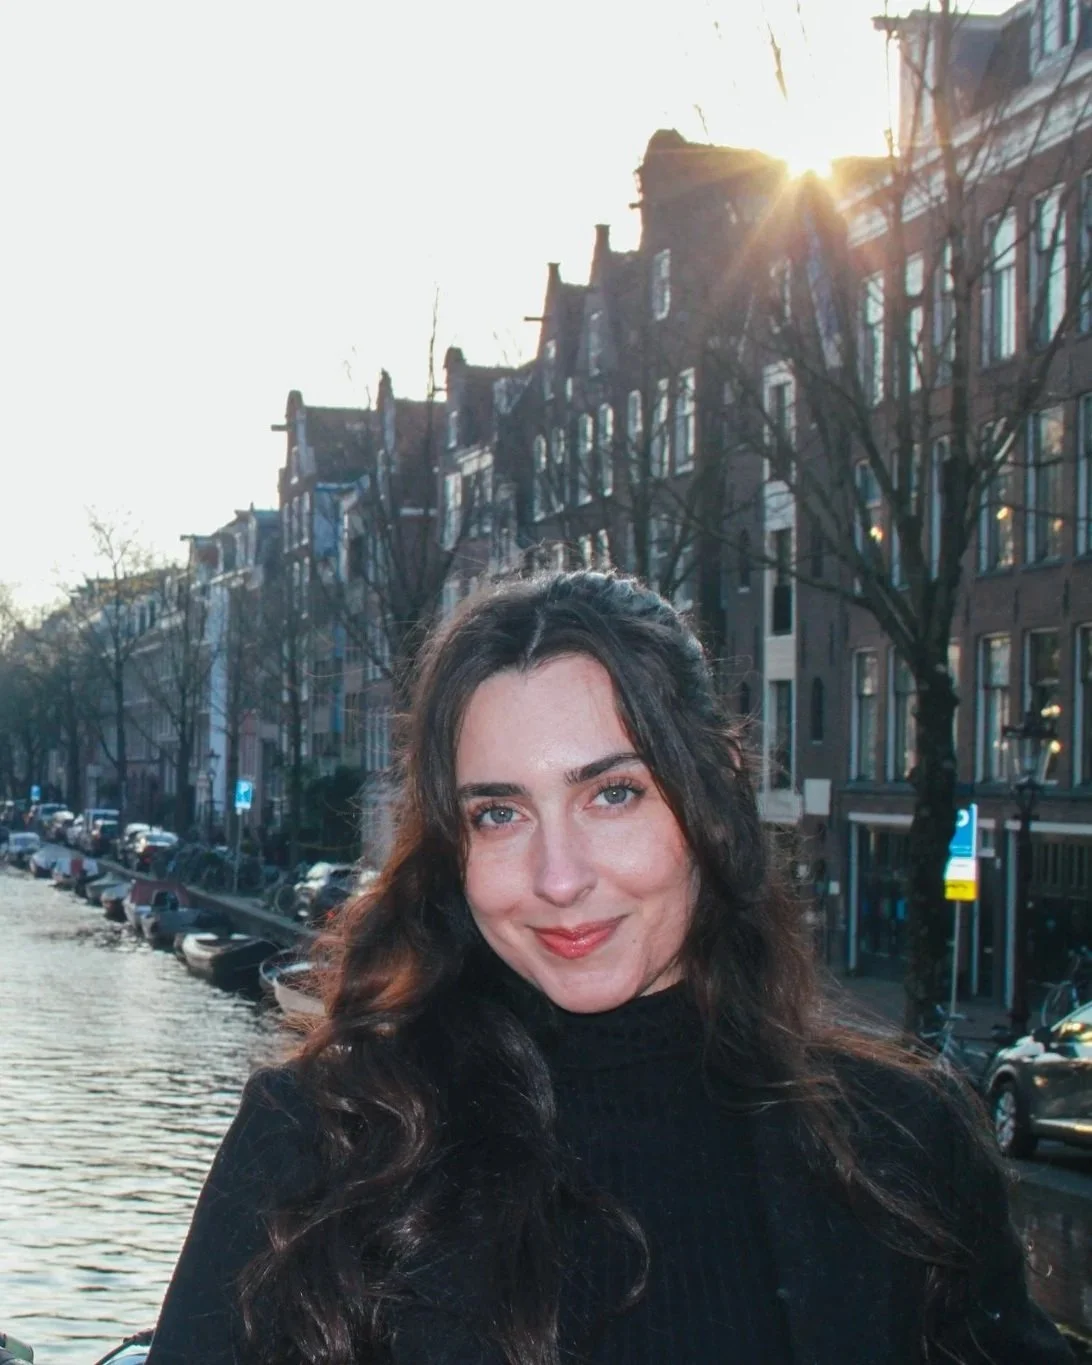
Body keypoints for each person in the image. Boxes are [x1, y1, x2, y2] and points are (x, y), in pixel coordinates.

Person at [145, 571, 1073, 1365]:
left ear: (717, 788)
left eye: (613, 793)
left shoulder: (907, 1146)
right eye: (499, 814)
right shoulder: (316, 1147)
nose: (558, 879)